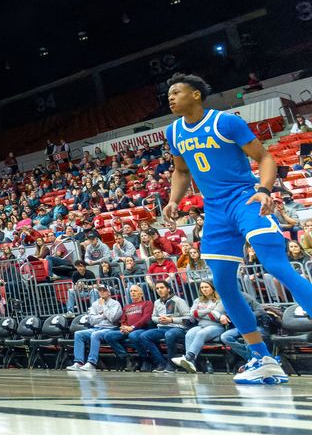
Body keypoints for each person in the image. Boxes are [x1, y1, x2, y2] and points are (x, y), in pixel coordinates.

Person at [163, 72, 312, 384]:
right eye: (169, 94)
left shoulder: (225, 122)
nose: (171, 97)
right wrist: (174, 200)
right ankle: (262, 357)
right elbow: (180, 171)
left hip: (245, 201)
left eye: (177, 92)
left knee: (277, 267)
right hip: (215, 211)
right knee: (224, 284)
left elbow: (265, 156)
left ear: (196, 95)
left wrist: (265, 189)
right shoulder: (174, 131)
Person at [172, 279, 228, 373]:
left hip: (216, 327)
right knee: (189, 334)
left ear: (212, 288)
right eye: (202, 287)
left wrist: (199, 313)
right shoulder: (197, 300)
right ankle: (191, 364)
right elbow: (192, 315)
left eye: (206, 287)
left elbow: (214, 316)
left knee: (201, 333)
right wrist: (208, 310)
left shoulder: (220, 300)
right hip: (200, 325)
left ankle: (188, 357)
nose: (204, 289)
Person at [67, 284, 123, 371]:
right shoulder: (95, 304)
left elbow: (113, 318)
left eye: (104, 290)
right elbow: (91, 321)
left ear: (109, 292)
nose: (102, 292)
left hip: (110, 329)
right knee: (78, 334)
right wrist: (103, 316)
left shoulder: (115, 304)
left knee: (95, 335)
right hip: (96, 327)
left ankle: (91, 363)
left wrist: (103, 307)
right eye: (100, 291)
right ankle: (79, 362)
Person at [100, 284, 154, 369]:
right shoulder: (127, 306)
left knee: (133, 335)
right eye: (131, 291)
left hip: (142, 329)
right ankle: (126, 357)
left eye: (135, 291)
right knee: (108, 336)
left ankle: (145, 359)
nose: (132, 293)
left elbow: (145, 318)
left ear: (141, 294)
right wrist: (123, 327)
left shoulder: (147, 303)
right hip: (128, 330)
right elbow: (123, 319)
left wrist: (132, 327)